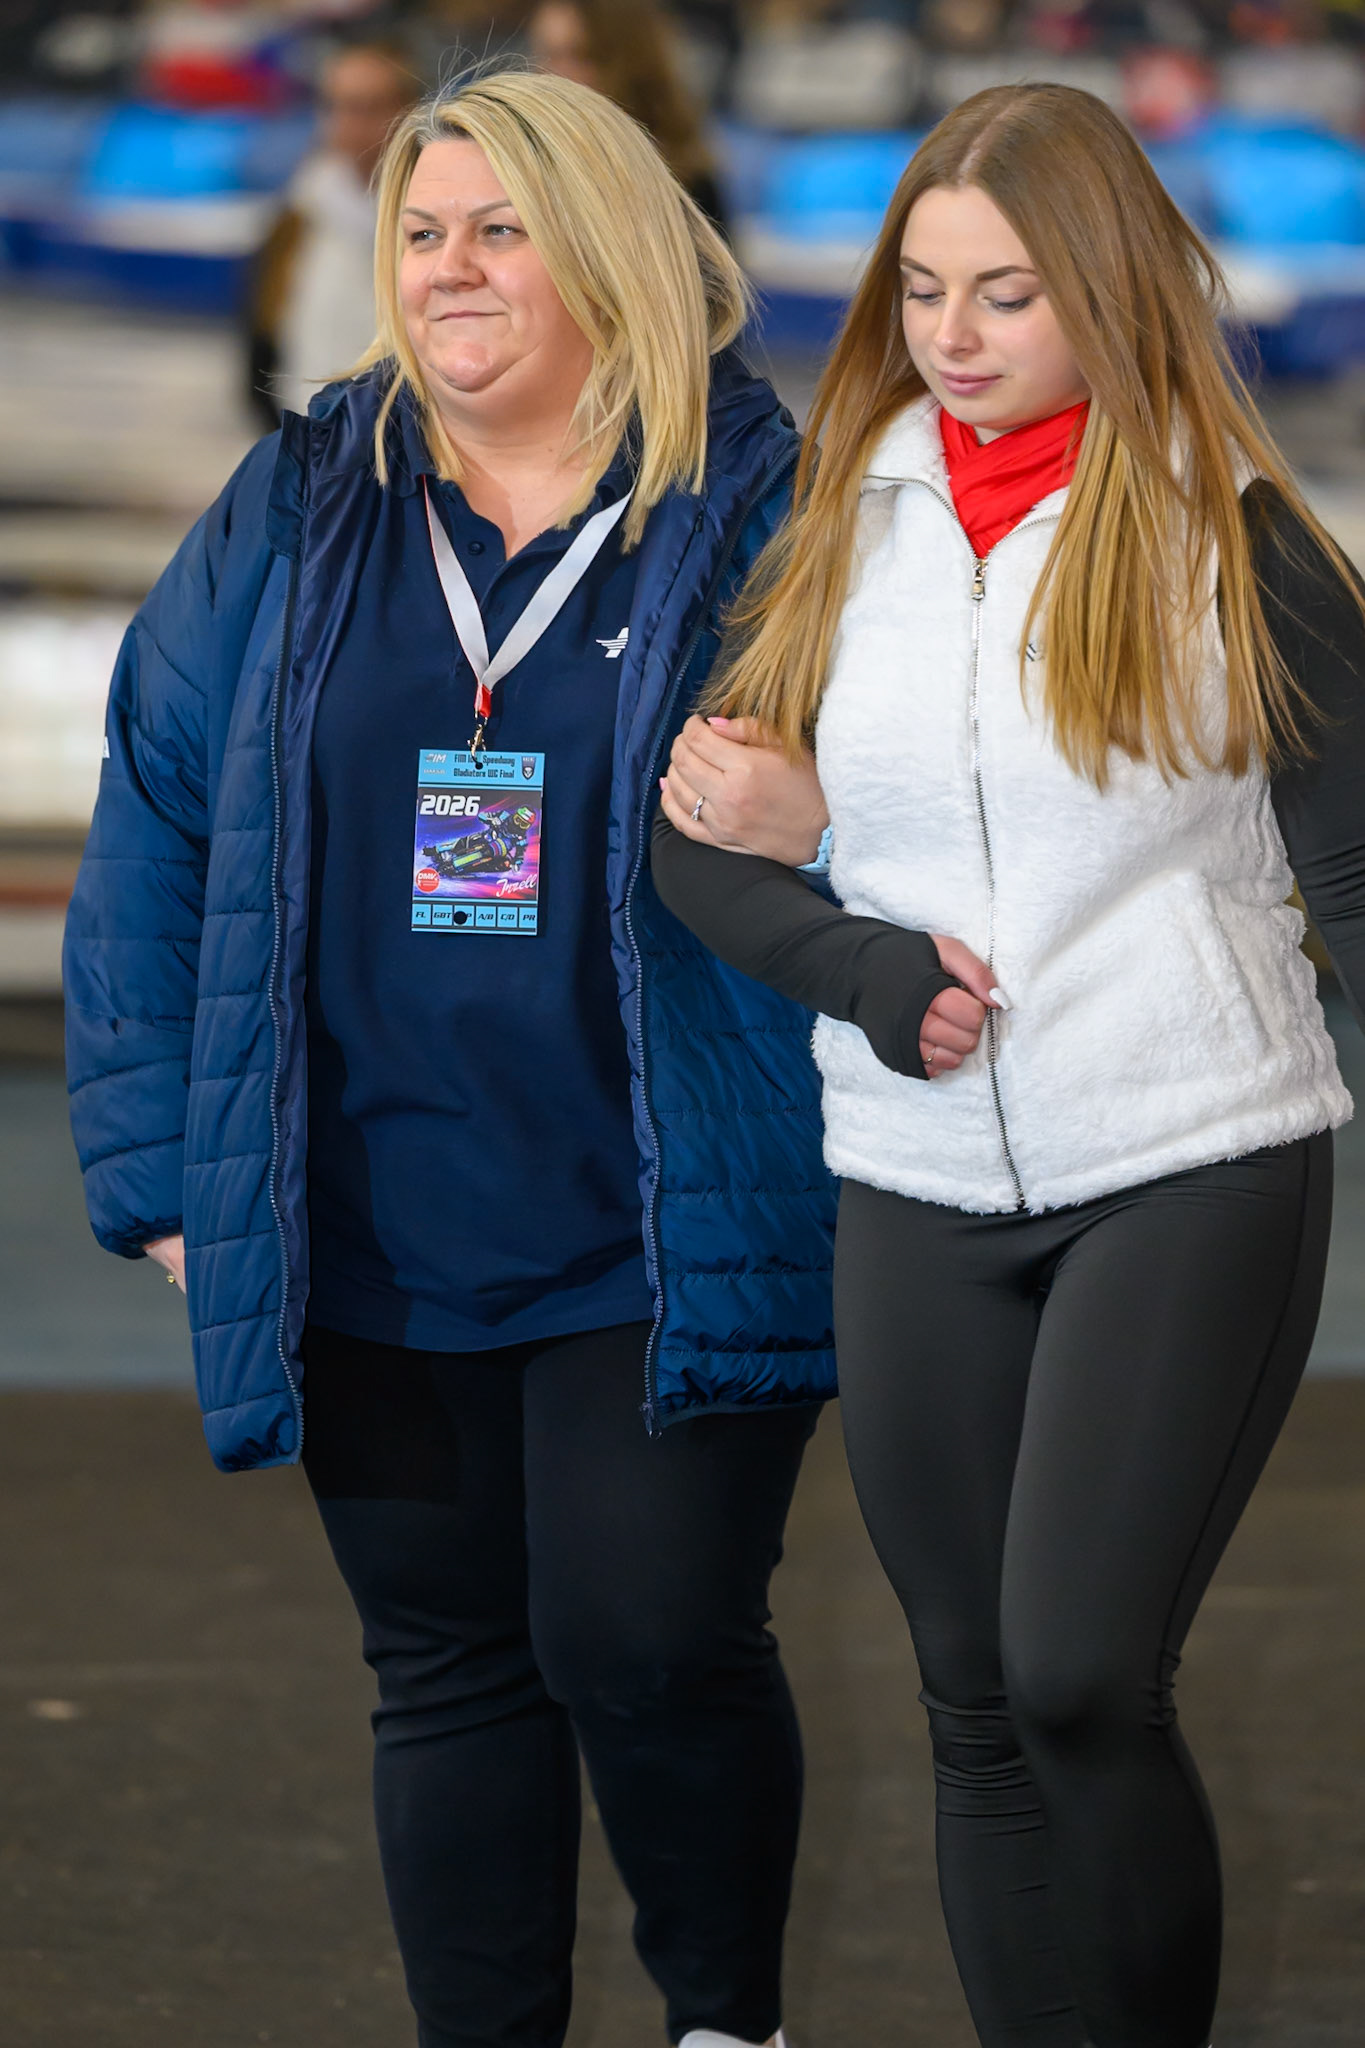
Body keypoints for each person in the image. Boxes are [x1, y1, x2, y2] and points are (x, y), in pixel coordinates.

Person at [64, 68, 838, 2048]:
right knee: (446, 1668)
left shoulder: (763, 508)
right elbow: (157, 812)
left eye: (502, 230)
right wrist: (159, 1172)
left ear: (611, 255)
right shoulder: (307, 498)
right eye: (422, 234)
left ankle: (721, 2019)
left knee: (647, 1641)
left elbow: (926, 806)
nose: (448, 270)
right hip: (366, 1215)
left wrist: (821, 815)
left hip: (659, 1211)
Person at [652, 81, 1365, 2048]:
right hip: (913, 1178)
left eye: (1008, 293)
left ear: (1111, 291)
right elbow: (694, 836)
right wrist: (863, 965)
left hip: (1186, 1155)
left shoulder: (1235, 540)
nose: (952, 334)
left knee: (1076, 1675)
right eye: (923, 288)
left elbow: (1357, 871)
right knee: (968, 1695)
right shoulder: (839, 524)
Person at [248, 40, 419, 427]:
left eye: (371, 107)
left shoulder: (437, 219)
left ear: (408, 111)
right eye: (338, 106)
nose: (352, 123)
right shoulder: (297, 214)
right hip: (311, 428)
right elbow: (261, 342)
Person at [526, 0, 730, 233]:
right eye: (546, 55)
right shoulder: (526, 164)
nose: (553, 74)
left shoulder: (685, 181)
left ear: (629, 63)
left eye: (579, 56)